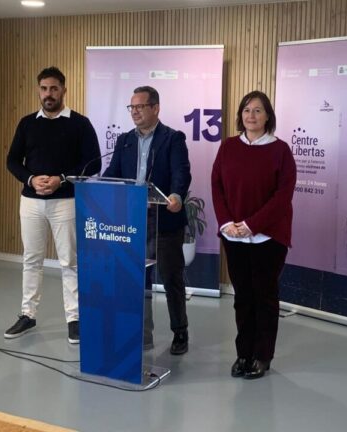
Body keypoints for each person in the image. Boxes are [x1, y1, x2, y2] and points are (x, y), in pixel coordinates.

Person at [4, 66, 101, 343]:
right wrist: (31, 179)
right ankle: (27, 314)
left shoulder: (80, 123)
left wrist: (61, 179)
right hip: (31, 202)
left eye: (54, 88)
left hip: (66, 202)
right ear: (38, 90)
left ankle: (75, 319)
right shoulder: (27, 123)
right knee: (31, 260)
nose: (49, 94)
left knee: (69, 262)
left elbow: (94, 162)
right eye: (44, 88)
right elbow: (12, 161)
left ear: (64, 91)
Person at [211, 90, 296, 379]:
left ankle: (262, 356)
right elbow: (217, 187)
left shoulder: (280, 150)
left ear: (268, 116)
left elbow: (282, 196)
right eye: (247, 110)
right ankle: (243, 353)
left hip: (268, 238)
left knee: (265, 298)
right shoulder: (228, 147)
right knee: (242, 297)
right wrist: (226, 223)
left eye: (258, 110)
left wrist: (252, 224)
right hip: (233, 236)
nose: (251, 116)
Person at [103, 86, 192, 355]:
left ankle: (180, 332)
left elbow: (181, 172)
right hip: (132, 222)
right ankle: (143, 333)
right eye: (132, 107)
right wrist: (95, 187)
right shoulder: (125, 140)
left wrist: (176, 195)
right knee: (135, 278)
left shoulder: (172, 138)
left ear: (155, 108)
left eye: (140, 107)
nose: (135, 112)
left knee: (170, 277)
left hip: (164, 220)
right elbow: (112, 173)